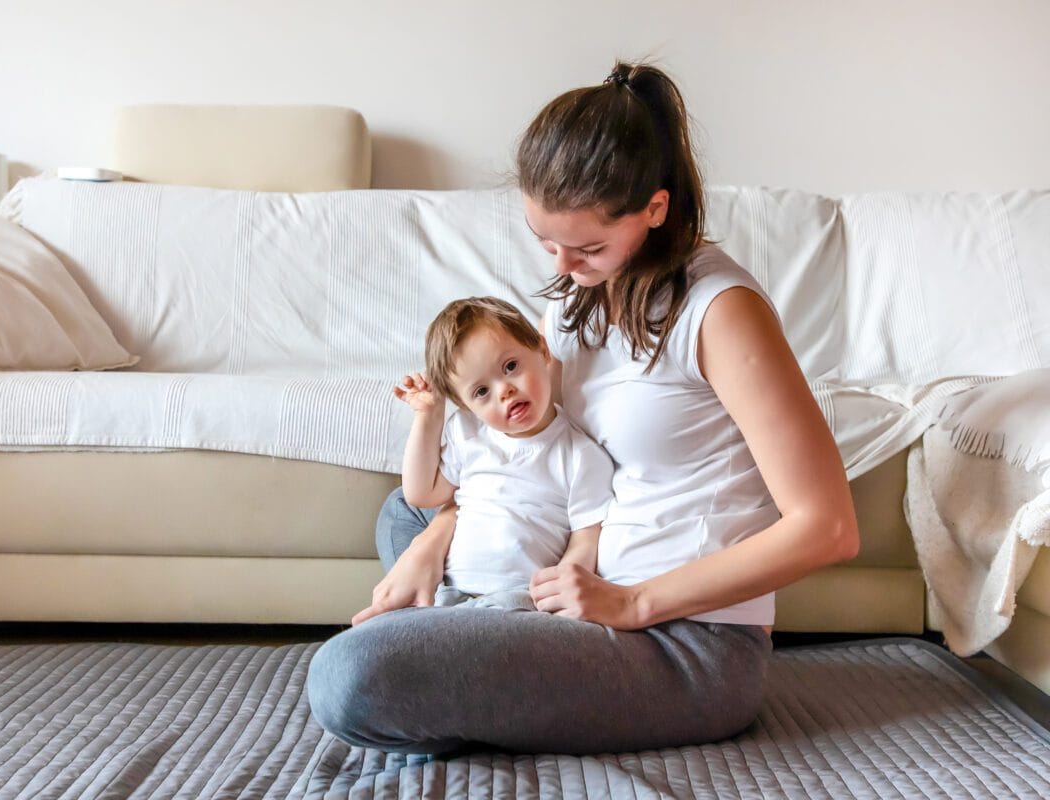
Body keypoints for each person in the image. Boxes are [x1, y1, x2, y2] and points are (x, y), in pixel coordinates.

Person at [307, 61, 859, 755]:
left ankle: (461, 659)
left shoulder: (723, 314)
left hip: (679, 640)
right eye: (547, 242)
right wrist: (434, 538)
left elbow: (829, 528)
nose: (563, 267)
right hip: (569, 577)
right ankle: (472, 648)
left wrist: (632, 603)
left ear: (655, 209)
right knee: (406, 510)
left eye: (589, 246)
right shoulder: (578, 296)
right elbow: (528, 443)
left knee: (348, 675)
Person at [390, 296, 613, 613]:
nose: (504, 390)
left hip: (519, 598)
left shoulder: (580, 455)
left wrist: (561, 586)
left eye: (511, 367)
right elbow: (420, 493)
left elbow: (586, 538)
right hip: (449, 589)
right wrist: (428, 415)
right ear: (467, 406)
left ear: (542, 350)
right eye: (481, 392)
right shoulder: (468, 432)